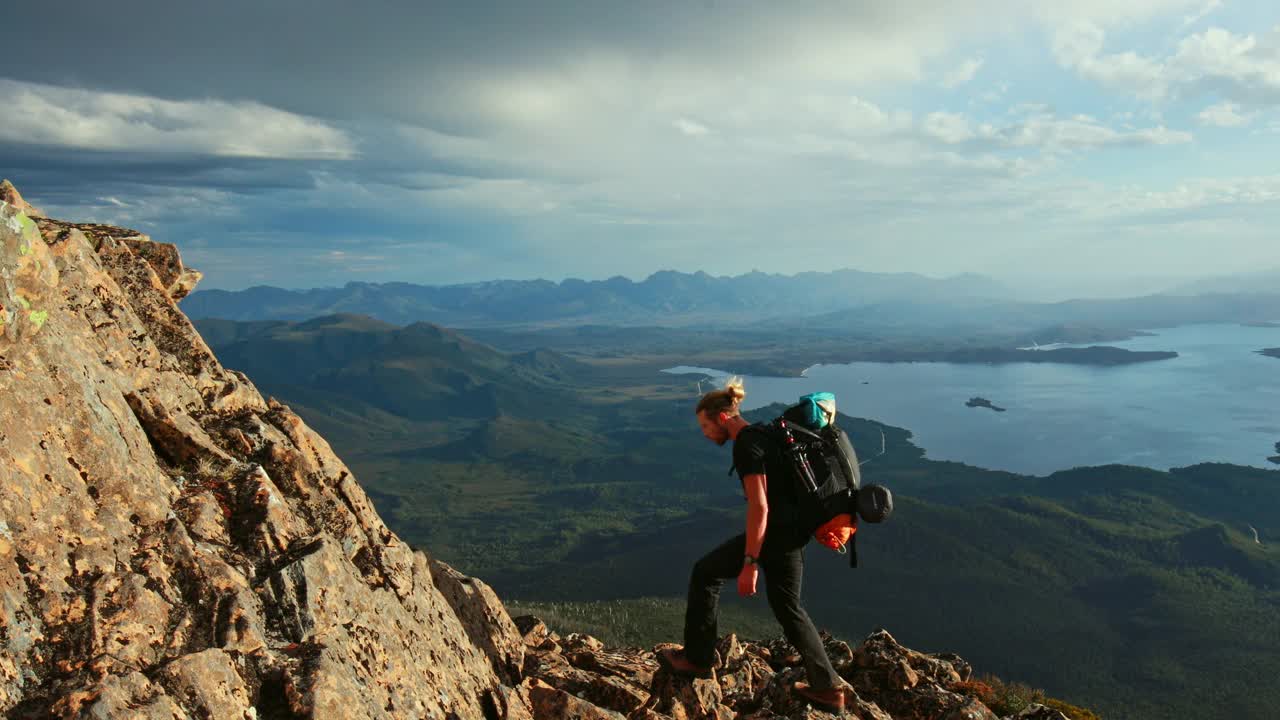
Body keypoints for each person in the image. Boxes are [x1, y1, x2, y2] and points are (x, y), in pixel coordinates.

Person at [658, 377, 854, 714]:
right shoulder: (767, 433)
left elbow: (760, 507)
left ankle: (697, 658)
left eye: (705, 425)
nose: (705, 433)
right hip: (793, 535)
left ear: (721, 418)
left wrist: (750, 562)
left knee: (705, 573)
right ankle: (829, 688)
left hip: (774, 538)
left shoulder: (747, 445)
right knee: (789, 608)